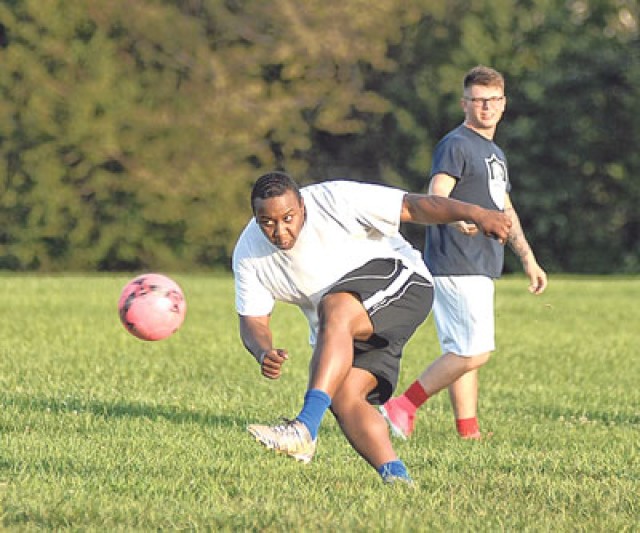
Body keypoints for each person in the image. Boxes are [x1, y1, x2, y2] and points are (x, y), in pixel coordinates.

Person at [232, 171, 511, 484]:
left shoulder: (335, 199)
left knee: (334, 306)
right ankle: (398, 480)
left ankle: (305, 427)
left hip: (404, 283)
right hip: (343, 328)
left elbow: (414, 207)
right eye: (267, 222)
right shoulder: (248, 253)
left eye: (288, 217)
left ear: (303, 206)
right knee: (345, 397)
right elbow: (253, 319)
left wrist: (477, 212)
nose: (280, 231)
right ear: (255, 217)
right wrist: (262, 350)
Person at [380, 65, 548, 441]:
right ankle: (401, 406)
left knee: (463, 350)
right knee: (475, 352)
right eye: (477, 100)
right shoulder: (456, 143)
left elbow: (504, 209)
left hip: (481, 262)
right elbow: (436, 193)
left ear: (503, 104)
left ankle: (467, 431)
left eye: (492, 100)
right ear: (464, 103)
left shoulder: (494, 153)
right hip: (456, 261)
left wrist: (528, 259)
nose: (485, 107)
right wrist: (454, 221)